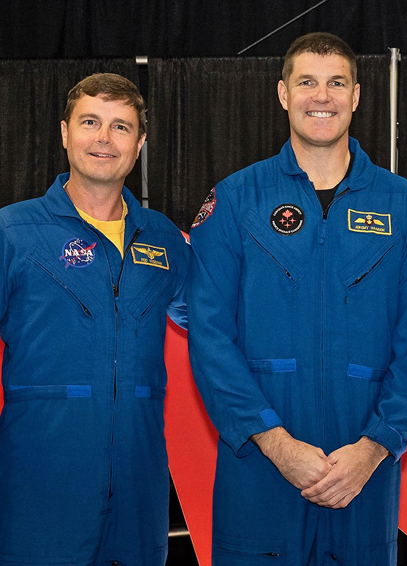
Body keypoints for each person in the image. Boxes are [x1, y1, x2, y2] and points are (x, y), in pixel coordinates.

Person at [187, 32, 407, 564]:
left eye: (336, 83)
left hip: (362, 473)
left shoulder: (401, 205)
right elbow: (210, 335)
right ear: (282, 94)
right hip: (259, 467)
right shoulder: (235, 199)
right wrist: (276, 442)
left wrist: (374, 449)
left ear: (357, 95)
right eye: (307, 82)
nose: (321, 96)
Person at [0, 73, 189, 565]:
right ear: (64, 132)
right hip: (40, 480)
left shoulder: (165, 240)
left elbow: (218, 326)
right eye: (90, 122)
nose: (104, 139)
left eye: (121, 127)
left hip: (139, 483)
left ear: (140, 143)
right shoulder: (13, 232)